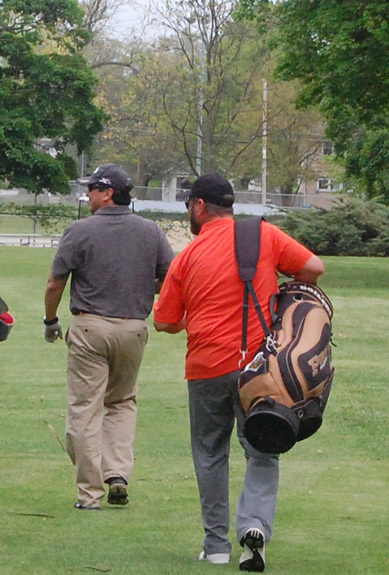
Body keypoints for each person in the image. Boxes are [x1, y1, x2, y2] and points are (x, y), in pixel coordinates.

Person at [154, 174, 324, 572]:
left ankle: (215, 546)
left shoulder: (188, 257)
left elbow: (164, 321)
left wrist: (194, 316)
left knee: (211, 454)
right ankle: (254, 528)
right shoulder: (264, 236)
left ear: (199, 207)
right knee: (263, 448)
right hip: (259, 370)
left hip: (206, 367)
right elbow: (314, 268)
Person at [44, 164, 173, 510]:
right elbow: (170, 278)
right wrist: (144, 286)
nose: (88, 195)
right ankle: (117, 473)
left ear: (109, 193)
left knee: (85, 410)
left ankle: (90, 493)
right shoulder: (151, 232)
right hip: (133, 328)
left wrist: (50, 320)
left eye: (93, 189)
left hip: (90, 328)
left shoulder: (80, 230)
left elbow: (56, 281)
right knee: (121, 402)